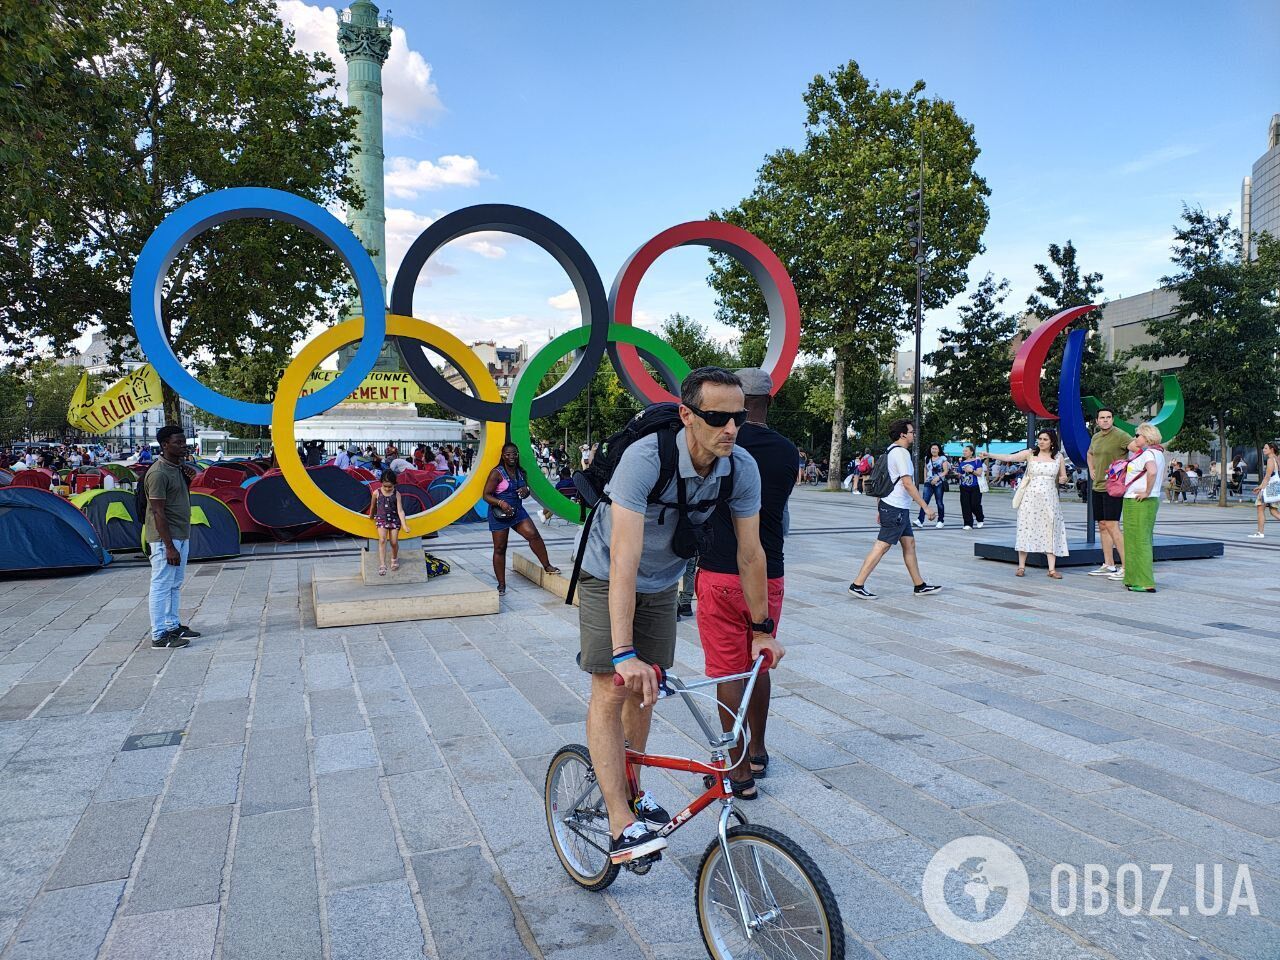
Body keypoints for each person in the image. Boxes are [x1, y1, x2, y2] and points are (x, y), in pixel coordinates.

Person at [577, 367, 780, 865]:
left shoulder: (741, 467)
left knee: (647, 690)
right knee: (614, 685)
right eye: (716, 418)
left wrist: (762, 630)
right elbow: (624, 558)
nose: (731, 428)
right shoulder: (644, 460)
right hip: (609, 573)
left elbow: (751, 555)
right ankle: (620, 823)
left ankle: (633, 789)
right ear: (687, 415)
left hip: (664, 579)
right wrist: (623, 652)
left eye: (737, 417)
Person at [695, 369, 797, 799]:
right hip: (769, 572)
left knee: (727, 669)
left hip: (719, 569)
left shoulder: (712, 443)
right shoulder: (787, 452)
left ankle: (737, 773)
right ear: (768, 403)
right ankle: (757, 750)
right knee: (759, 659)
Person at [848, 418, 942, 599]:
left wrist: (879, 508)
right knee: (881, 546)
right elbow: (907, 483)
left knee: (909, 544)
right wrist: (926, 507)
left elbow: (883, 481)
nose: (914, 434)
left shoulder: (890, 450)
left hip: (894, 507)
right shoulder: (901, 454)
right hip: (895, 508)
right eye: (912, 431)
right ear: (903, 434)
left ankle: (919, 585)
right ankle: (857, 584)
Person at [983, 430, 1069, 578]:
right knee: (1026, 527)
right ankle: (1021, 566)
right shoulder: (1030, 454)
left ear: (1052, 442)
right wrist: (989, 455)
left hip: (1050, 498)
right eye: (1040, 439)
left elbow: (1063, 476)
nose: (1041, 442)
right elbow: (1009, 457)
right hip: (1030, 497)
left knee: (1050, 529)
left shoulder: (1058, 457)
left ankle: (1052, 569)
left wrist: (1063, 480)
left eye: (1045, 439)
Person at [144, 425, 197, 649]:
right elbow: (158, 511)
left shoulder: (177, 468)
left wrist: (189, 480)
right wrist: (169, 547)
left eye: (184, 442)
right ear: (165, 445)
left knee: (175, 584)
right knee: (161, 585)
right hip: (166, 538)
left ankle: (173, 625)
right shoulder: (158, 473)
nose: (183, 445)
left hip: (180, 534)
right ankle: (159, 635)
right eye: (178, 442)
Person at [483, 442, 559, 595]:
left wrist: (526, 491)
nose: (512, 456)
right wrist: (501, 502)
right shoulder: (496, 473)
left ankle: (547, 565)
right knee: (500, 548)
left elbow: (526, 492)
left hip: (517, 512)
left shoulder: (520, 472)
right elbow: (485, 495)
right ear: (503, 456)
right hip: (500, 514)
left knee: (534, 535)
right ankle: (501, 584)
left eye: (514, 453)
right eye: (508, 454)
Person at [1086, 408, 1131, 579]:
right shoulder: (1096, 437)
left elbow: (1136, 448)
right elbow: (1090, 453)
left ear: (1113, 419)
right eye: (1102, 418)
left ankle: (1127, 567)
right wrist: (1091, 468)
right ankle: (1109, 564)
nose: (1105, 420)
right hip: (1097, 486)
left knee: (1113, 525)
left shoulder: (1121, 435)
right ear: (1097, 421)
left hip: (1113, 487)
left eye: (1109, 417)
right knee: (1103, 525)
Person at [1121, 423, 1166, 591]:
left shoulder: (1149, 454)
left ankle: (1144, 582)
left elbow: (1152, 471)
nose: (1135, 438)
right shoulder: (1157, 453)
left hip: (1139, 501)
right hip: (1139, 501)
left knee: (1139, 541)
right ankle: (1133, 578)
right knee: (1135, 540)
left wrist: (1147, 491)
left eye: (1138, 435)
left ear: (1146, 437)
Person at [369, 469, 410, 575]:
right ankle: (382, 564)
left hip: (394, 520)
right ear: (381, 483)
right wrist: (371, 515)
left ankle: (394, 558)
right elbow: (373, 506)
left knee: (394, 542)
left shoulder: (397, 494)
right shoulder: (376, 493)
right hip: (381, 519)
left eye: (390, 486)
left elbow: (400, 510)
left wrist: (404, 525)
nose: (387, 488)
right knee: (382, 540)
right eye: (385, 486)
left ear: (394, 484)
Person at [1249, 441, 1280, 538]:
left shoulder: (1271, 460)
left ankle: (1260, 533)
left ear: (1272, 449)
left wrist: (1260, 487)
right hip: (1275, 488)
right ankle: (1260, 532)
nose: (1263, 450)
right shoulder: (1277, 459)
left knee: (1260, 509)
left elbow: (1267, 476)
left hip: (1268, 489)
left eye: (1266, 448)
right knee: (1273, 511)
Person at [916, 444, 950, 528]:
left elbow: (946, 471)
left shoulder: (943, 459)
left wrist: (938, 477)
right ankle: (920, 520)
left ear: (939, 450)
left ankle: (940, 521)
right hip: (928, 482)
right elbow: (925, 469)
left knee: (939, 502)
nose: (933, 450)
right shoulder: (927, 458)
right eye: (932, 448)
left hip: (939, 483)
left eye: (935, 448)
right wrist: (925, 480)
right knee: (924, 501)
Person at [956, 444, 986, 529]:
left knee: (975, 504)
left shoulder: (977, 461)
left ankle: (980, 518)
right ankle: (968, 524)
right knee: (965, 505)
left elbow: (979, 473)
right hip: (964, 486)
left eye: (966, 451)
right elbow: (959, 474)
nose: (964, 452)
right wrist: (958, 474)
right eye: (963, 451)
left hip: (975, 486)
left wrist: (971, 470)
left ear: (971, 452)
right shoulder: (962, 462)